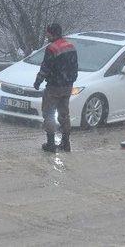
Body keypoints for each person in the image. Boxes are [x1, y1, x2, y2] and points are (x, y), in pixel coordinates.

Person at [33, 23, 78, 152]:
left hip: (53, 86)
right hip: (67, 86)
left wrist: (38, 81)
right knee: (64, 114)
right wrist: (70, 80)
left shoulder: (52, 48)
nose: (47, 35)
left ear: (52, 33)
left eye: (48, 33)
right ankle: (66, 142)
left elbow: (45, 68)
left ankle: (51, 143)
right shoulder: (71, 46)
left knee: (49, 113)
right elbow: (75, 66)